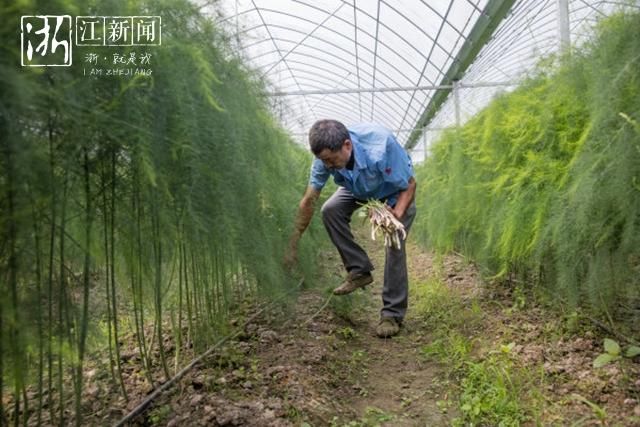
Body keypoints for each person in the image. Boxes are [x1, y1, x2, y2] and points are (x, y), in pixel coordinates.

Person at [285, 119, 416, 338]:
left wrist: (396, 213)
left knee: (394, 246)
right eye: (322, 161)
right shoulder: (324, 160)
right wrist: (293, 242)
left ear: (347, 145)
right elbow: (309, 200)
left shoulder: (381, 146)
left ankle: (392, 315)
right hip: (358, 188)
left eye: (330, 160)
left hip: (395, 192)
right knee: (330, 209)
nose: (327, 166)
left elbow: (410, 184)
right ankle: (359, 270)